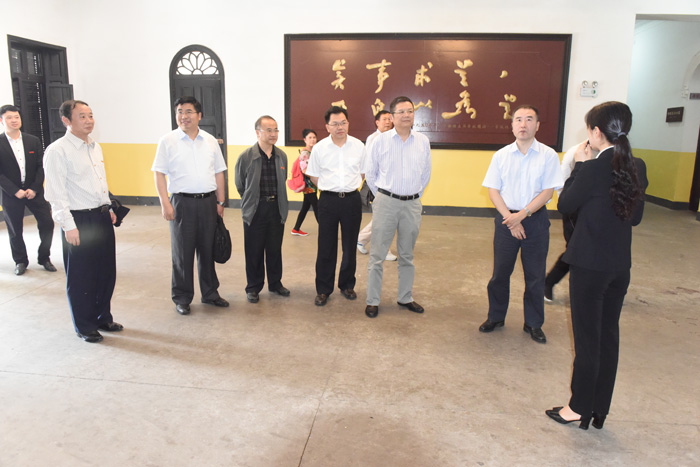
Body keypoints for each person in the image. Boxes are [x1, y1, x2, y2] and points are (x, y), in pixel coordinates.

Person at [546, 101, 648, 430]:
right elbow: (635, 218)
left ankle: (578, 408)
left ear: (596, 132)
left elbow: (565, 204)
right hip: (620, 266)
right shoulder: (638, 166)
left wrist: (579, 166)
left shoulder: (591, 169)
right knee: (608, 337)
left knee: (587, 340)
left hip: (589, 266)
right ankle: (599, 408)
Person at [480, 105, 564, 343]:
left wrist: (523, 215)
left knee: (535, 276)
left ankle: (533, 323)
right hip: (506, 220)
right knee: (500, 274)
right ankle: (496, 317)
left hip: (535, 221)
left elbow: (548, 192)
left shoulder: (548, 155)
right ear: (512, 125)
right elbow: (493, 190)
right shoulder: (501, 155)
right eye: (518, 119)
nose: (523, 124)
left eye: (529, 119)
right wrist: (511, 218)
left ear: (537, 125)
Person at [43, 100, 122, 343]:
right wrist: (69, 225)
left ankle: (102, 317)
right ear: (66, 120)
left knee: (105, 272)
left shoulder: (95, 147)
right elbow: (55, 194)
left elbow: (99, 182)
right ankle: (85, 325)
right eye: (82, 116)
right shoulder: (57, 151)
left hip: (101, 216)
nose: (89, 121)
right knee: (82, 276)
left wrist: (108, 206)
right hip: (78, 220)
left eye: (90, 115)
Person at [153, 96, 229, 316]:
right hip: (181, 203)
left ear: (199, 115)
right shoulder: (167, 141)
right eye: (179, 111)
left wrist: (220, 201)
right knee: (182, 253)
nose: (183, 116)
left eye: (188, 112)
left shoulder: (210, 141)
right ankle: (182, 297)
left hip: (208, 203)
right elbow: (158, 173)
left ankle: (210, 293)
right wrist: (165, 203)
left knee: (207, 249)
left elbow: (219, 172)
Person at [363, 96, 432, 318]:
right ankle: (373, 300)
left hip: (412, 204)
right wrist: (384, 197)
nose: (406, 115)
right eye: (401, 112)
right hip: (386, 202)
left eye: (410, 111)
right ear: (392, 117)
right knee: (377, 254)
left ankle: (405, 297)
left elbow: (426, 173)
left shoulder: (422, 141)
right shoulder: (380, 141)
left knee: (407, 254)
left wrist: (414, 196)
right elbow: (371, 174)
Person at [305, 106, 364, 306]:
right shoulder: (320, 148)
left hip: (351, 200)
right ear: (327, 127)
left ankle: (347, 285)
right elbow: (314, 175)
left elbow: (363, 172)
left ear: (348, 123)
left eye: (343, 123)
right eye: (335, 124)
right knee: (326, 246)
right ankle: (323, 289)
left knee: (350, 245)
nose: (340, 127)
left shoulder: (358, 146)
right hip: (328, 201)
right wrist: (329, 187)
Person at [235, 115, 290, 303]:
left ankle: (275, 283)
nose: (273, 134)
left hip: (276, 207)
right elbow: (240, 184)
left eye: (276, 130)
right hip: (255, 209)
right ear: (258, 132)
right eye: (269, 130)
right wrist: (251, 201)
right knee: (254, 250)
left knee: (274, 249)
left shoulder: (281, 156)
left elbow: (282, 180)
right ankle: (253, 287)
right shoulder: (246, 157)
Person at [0, 104, 56, 275]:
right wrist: (14, 190)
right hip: (11, 194)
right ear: (2, 121)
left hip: (34, 192)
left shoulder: (33, 140)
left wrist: (35, 188)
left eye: (16, 117)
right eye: (9, 117)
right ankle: (20, 261)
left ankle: (44, 257)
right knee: (15, 230)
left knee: (47, 223)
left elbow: (41, 166)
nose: (14, 120)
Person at [544, 143, 597, 301]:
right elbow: (565, 184)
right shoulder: (578, 151)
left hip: (596, 209)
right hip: (574, 208)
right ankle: (548, 282)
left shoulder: (612, 151)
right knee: (574, 250)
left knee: (594, 249)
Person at [357, 110, 397, 262]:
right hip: (379, 186)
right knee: (385, 218)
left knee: (383, 218)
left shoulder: (392, 137)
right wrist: (376, 189)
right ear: (377, 122)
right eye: (384, 119)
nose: (388, 122)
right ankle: (383, 250)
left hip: (390, 185)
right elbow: (370, 165)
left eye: (389, 119)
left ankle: (361, 239)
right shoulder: (374, 138)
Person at [290, 129, 318, 236]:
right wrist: (317, 179)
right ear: (305, 140)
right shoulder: (305, 153)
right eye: (310, 137)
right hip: (309, 185)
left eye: (314, 137)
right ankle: (326, 231)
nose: (312, 139)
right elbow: (305, 171)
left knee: (305, 207)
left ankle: (296, 229)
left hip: (311, 184)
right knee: (317, 208)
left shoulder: (312, 152)